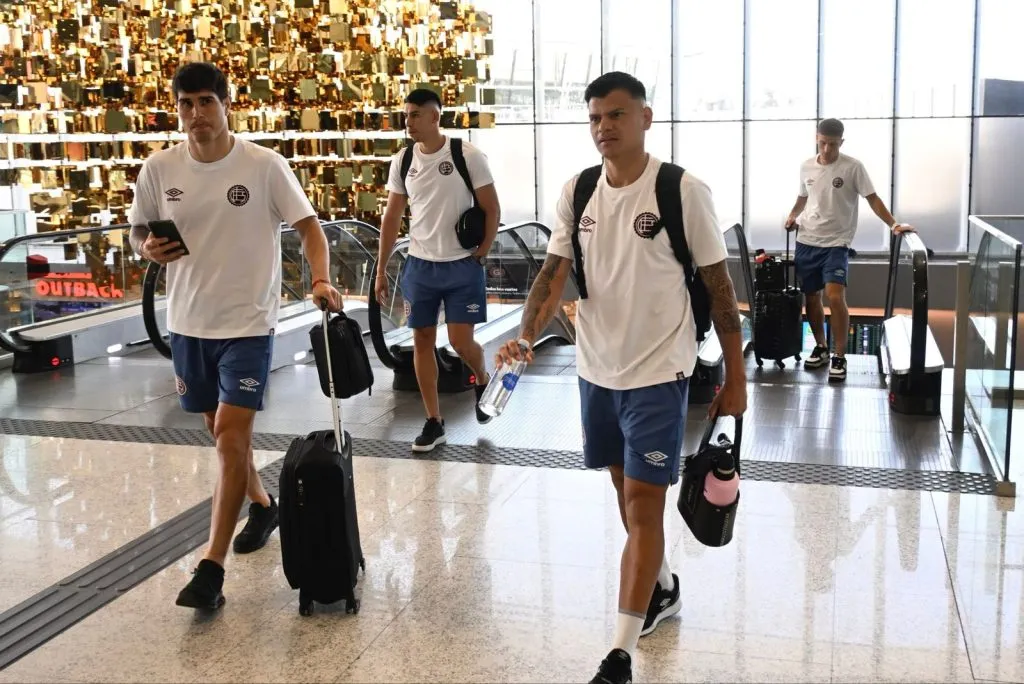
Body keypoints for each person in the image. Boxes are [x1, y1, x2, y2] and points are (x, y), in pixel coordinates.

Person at [495, 72, 748, 684]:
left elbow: (720, 291)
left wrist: (736, 380)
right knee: (624, 490)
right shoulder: (579, 190)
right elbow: (553, 273)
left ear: (645, 118)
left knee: (642, 501)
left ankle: (620, 653)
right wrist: (526, 335)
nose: (603, 127)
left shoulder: (681, 191)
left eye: (615, 115)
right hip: (596, 368)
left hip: (660, 371)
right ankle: (662, 586)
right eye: (594, 118)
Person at [127, 61, 342, 610]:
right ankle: (263, 506)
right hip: (188, 323)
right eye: (186, 104)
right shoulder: (159, 169)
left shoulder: (263, 165)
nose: (196, 113)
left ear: (227, 105)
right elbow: (138, 230)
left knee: (228, 435)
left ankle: (211, 567)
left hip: (247, 323)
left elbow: (309, 227)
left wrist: (320, 278)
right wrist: (146, 247)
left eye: (206, 101)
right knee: (217, 428)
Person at [376, 88, 501, 452]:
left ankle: (482, 377)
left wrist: (482, 253)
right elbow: (392, 216)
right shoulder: (403, 161)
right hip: (420, 266)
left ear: (434, 117)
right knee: (422, 341)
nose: (408, 122)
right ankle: (434, 421)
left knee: (461, 342)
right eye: (406, 115)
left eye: (415, 115)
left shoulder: (467, 155)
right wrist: (381, 269)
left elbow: (492, 208)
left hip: (462, 266)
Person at [784, 118, 914, 382]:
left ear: (841, 142)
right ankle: (821, 347)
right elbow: (803, 197)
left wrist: (894, 224)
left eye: (833, 144)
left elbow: (872, 199)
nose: (827, 149)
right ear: (816, 138)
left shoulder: (853, 167)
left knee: (834, 296)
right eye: (823, 143)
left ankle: (839, 355)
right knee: (811, 298)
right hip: (806, 239)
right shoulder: (806, 166)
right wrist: (792, 215)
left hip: (837, 242)